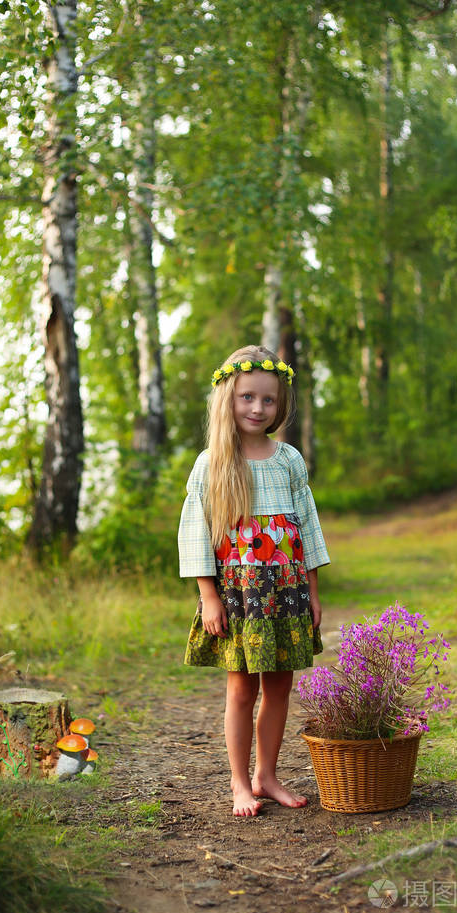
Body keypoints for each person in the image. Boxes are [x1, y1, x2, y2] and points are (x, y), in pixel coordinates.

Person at [178, 344, 329, 817]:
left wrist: (313, 590)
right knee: (242, 688)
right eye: (247, 397)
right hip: (239, 596)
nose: (257, 408)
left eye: (267, 400)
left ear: (279, 404)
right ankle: (239, 782)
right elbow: (195, 531)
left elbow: (307, 525)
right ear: (228, 398)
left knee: (280, 685)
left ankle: (267, 774)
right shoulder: (213, 463)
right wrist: (208, 595)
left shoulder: (288, 460)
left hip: (285, 594)